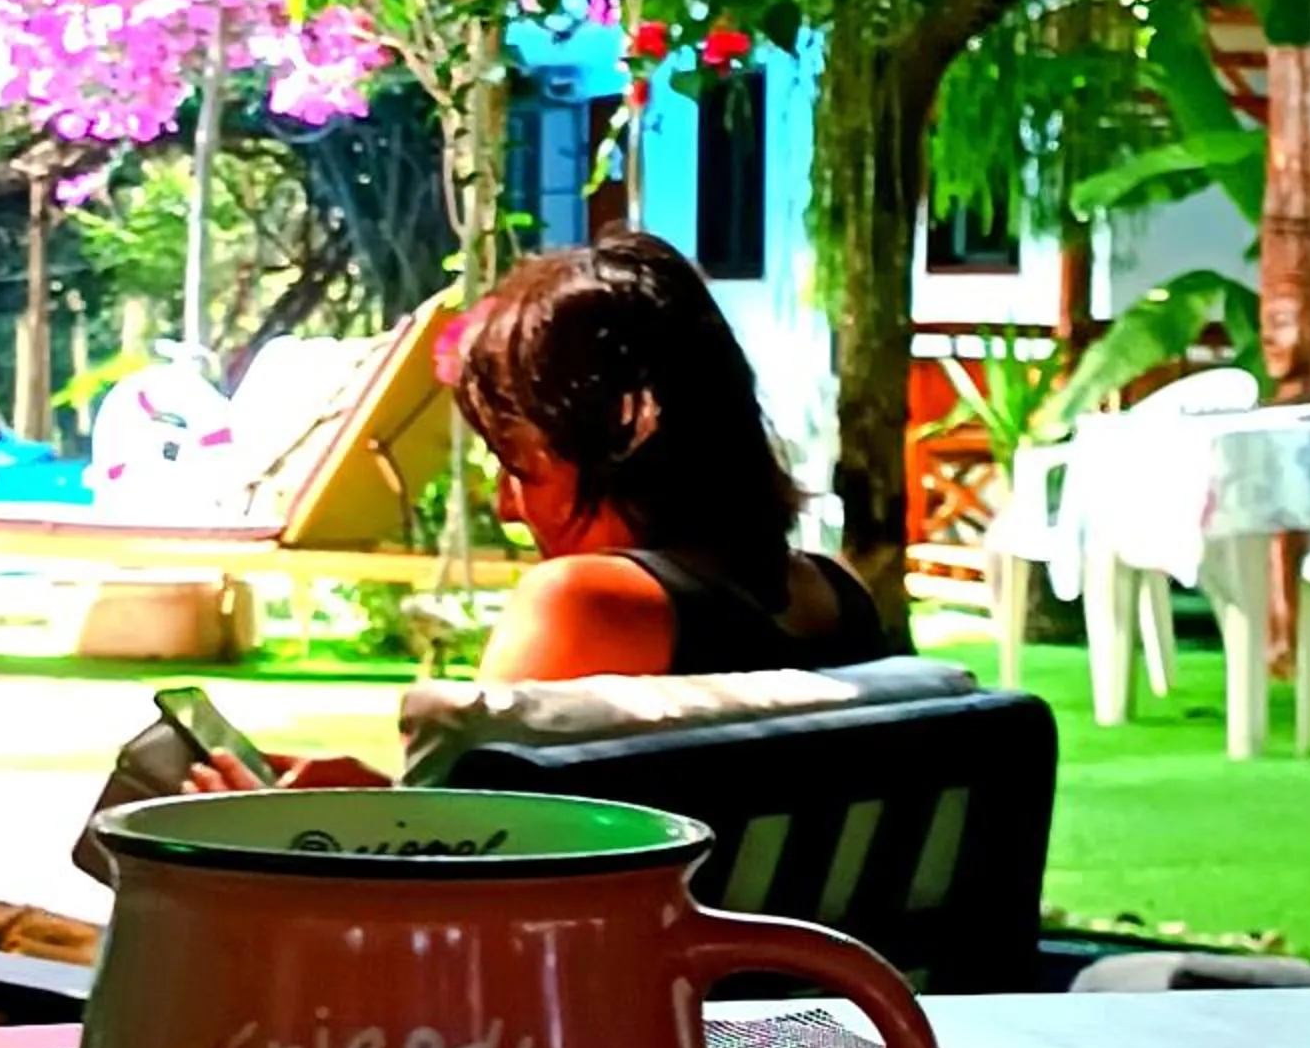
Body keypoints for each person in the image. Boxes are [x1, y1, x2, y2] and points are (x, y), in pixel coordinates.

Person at [192, 232, 899, 791]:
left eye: (519, 465)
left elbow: (467, 887)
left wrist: (283, 832)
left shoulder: (588, 603)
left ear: (618, 438)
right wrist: (372, 801)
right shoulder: (837, 598)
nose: (507, 504)